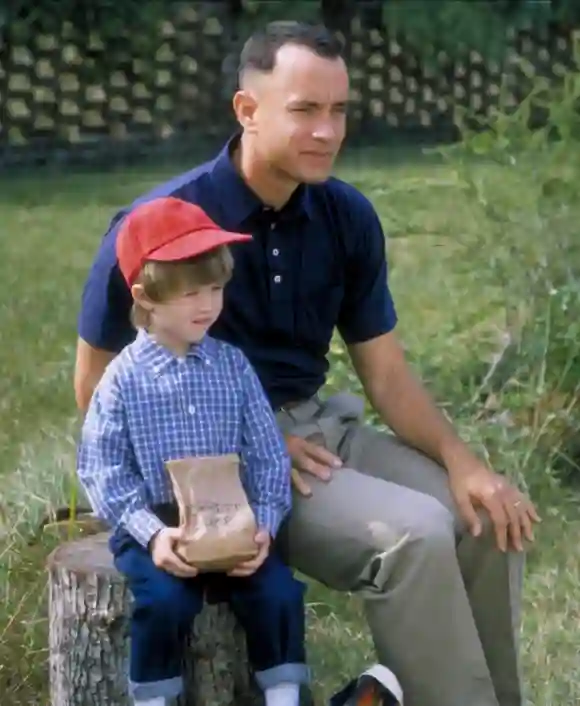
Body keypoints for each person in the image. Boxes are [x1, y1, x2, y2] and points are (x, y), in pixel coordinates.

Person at [74, 20, 540, 706]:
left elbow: (384, 374)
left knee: (485, 521)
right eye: (305, 110)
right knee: (413, 538)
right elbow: (95, 386)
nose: (328, 131)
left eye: (339, 110)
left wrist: (464, 462)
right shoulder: (161, 223)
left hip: (324, 433)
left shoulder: (346, 215)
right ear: (247, 110)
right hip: (227, 464)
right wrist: (242, 448)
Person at [76, 196, 310, 706]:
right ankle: (154, 698)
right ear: (146, 297)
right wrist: (153, 534)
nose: (207, 305)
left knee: (277, 593)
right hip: (159, 521)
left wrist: (265, 523)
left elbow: (268, 453)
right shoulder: (122, 379)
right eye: (188, 294)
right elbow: (102, 468)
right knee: (163, 602)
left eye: (215, 289)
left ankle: (285, 694)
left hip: (232, 514)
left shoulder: (232, 366)